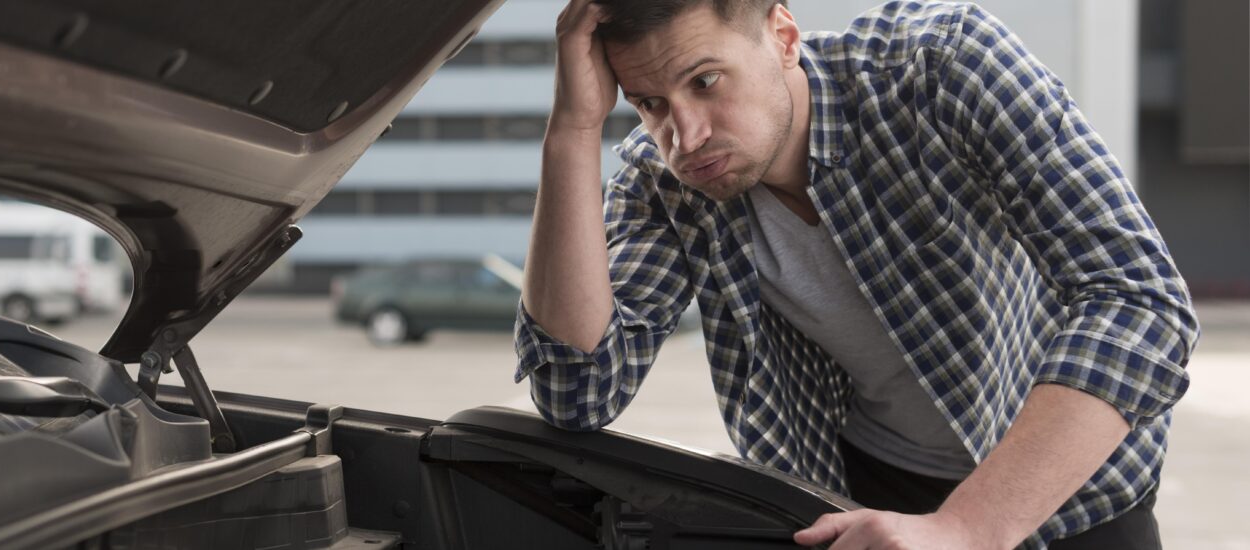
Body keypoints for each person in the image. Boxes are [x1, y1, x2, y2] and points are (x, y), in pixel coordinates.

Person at [513, 0, 1198, 548]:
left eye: (705, 81)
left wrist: (967, 529)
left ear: (782, 36)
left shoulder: (942, 65)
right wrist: (573, 131)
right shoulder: (661, 183)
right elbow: (578, 391)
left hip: (1066, 488)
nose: (684, 138)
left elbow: (1140, 300)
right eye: (649, 103)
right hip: (871, 497)